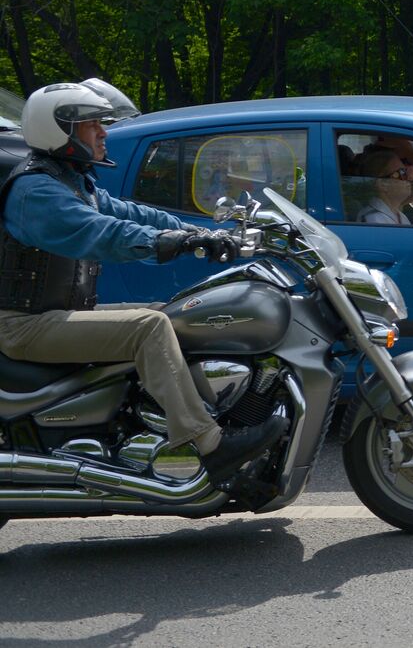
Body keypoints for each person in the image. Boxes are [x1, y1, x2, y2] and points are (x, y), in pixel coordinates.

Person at [0, 80, 286, 482]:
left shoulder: (70, 180)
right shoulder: (36, 191)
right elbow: (102, 232)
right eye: (92, 124)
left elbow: (133, 214)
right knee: (149, 328)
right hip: (25, 326)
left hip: (57, 315)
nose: (103, 132)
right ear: (59, 129)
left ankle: (160, 420)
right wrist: (173, 243)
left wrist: (199, 233)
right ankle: (210, 444)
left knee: (179, 314)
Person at [354, 137, 413, 225]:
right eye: (402, 173)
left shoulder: (399, 216)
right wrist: (405, 147)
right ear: (383, 185)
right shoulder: (374, 219)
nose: (409, 178)